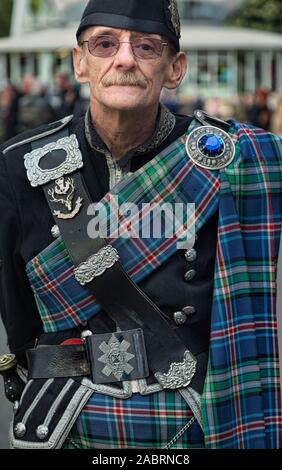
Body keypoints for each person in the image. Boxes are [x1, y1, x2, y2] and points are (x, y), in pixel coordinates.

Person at [0, 0, 281, 450]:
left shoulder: (226, 160)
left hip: (187, 412)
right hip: (69, 416)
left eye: (147, 47)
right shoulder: (19, 166)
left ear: (175, 69)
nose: (125, 58)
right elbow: (15, 309)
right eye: (104, 44)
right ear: (81, 63)